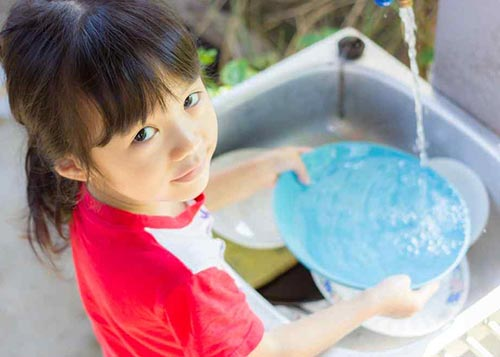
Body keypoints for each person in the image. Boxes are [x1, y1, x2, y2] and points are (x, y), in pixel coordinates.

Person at [0, 1, 439, 356]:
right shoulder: (188, 281)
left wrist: (264, 168)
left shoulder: (104, 192)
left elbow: (186, 209)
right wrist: (375, 302)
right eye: (144, 133)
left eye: (190, 98)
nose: (189, 143)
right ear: (73, 163)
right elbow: (275, 348)